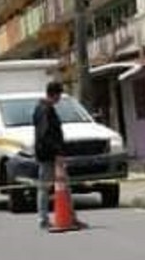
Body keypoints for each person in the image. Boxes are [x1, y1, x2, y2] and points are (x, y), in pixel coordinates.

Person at [33, 82, 82, 230]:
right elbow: (45, 135)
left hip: (53, 154)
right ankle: (43, 219)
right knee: (45, 187)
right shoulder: (44, 110)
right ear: (54, 94)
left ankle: (71, 217)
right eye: (59, 95)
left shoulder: (46, 109)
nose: (60, 98)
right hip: (48, 156)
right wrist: (57, 152)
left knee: (64, 187)